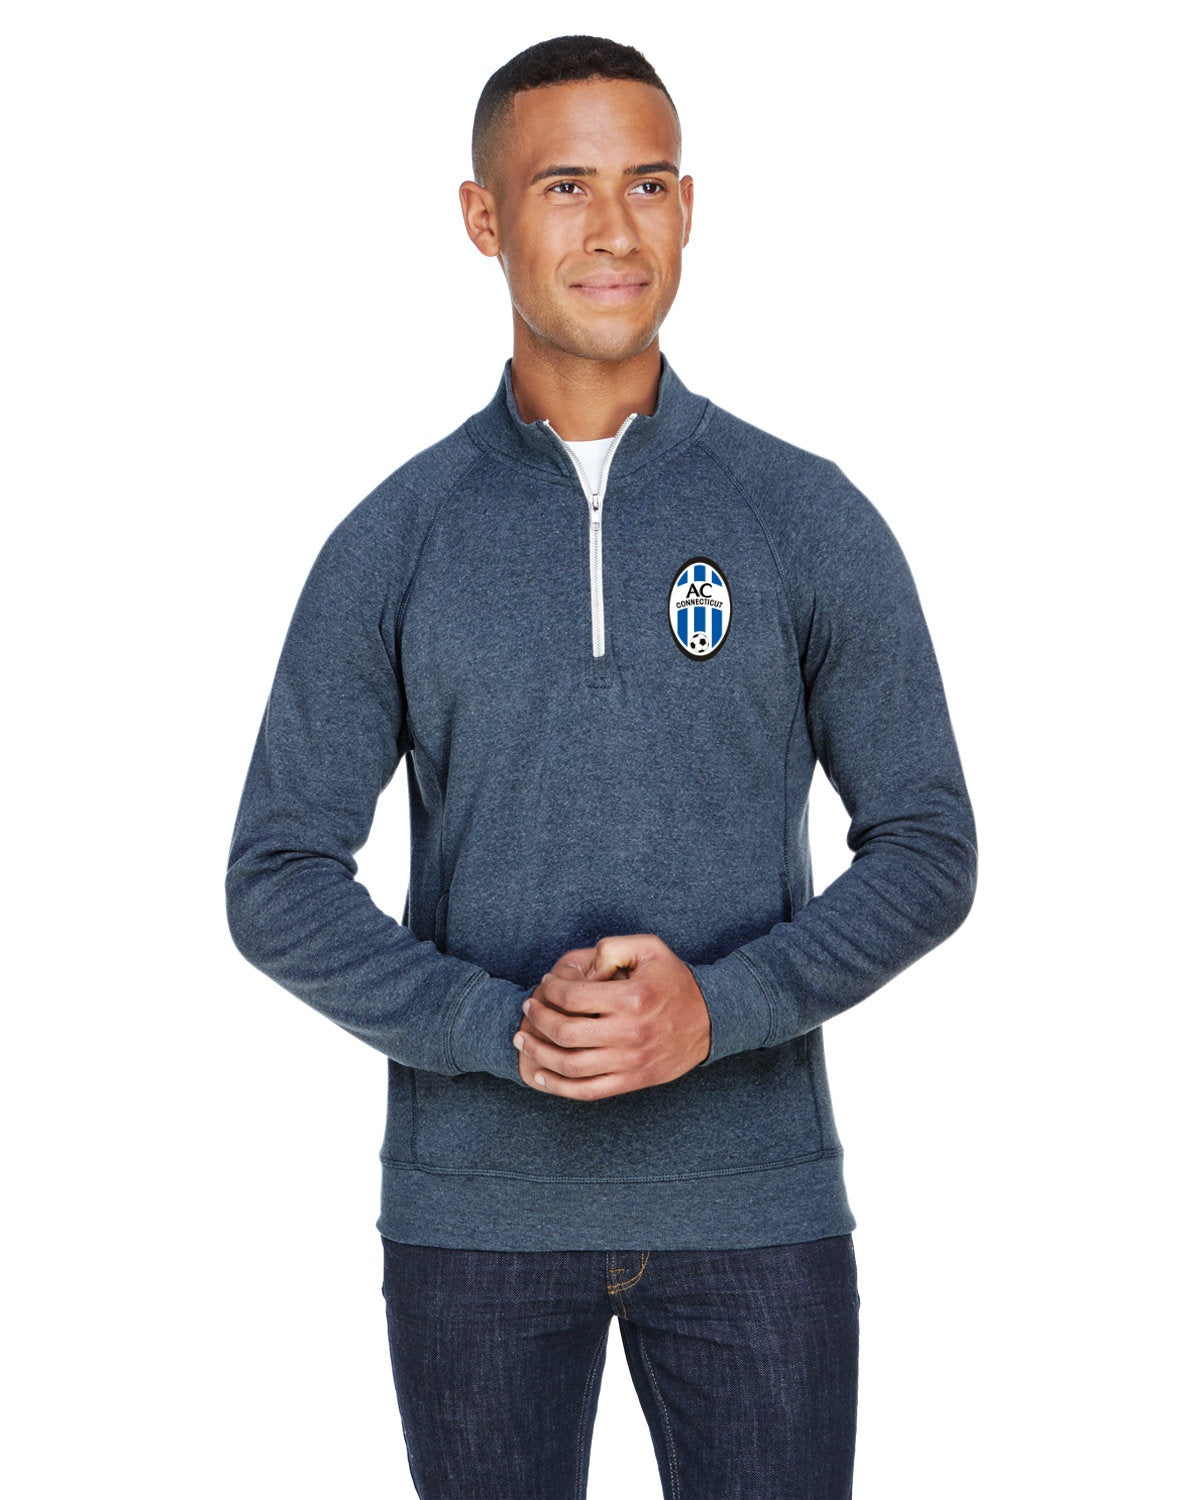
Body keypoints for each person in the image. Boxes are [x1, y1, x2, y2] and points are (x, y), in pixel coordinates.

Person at [226, 34, 977, 1500]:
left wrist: (722, 1009)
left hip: (755, 1209)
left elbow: (928, 842)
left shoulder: (804, 517)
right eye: (564, 185)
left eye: (647, 183)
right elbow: (277, 876)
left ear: (689, 209)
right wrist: (494, 1026)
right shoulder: (395, 540)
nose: (615, 228)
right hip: (476, 1221)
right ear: (483, 217)